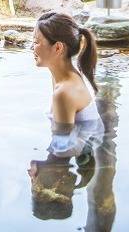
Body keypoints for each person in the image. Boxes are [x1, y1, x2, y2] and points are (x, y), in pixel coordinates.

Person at [32, 11, 103, 158]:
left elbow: (62, 152)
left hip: (82, 158)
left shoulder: (64, 92)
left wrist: (42, 177)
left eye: (36, 42)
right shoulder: (66, 75)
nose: (32, 48)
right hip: (87, 149)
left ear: (58, 48)